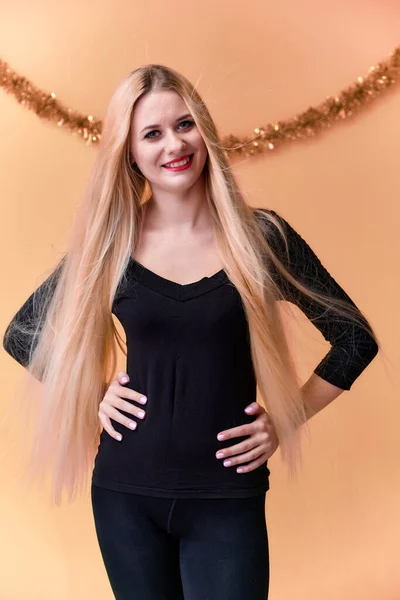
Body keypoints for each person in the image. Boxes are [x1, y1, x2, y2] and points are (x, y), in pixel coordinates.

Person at [2, 64, 380, 599]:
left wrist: (286, 420)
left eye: (185, 124)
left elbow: (355, 337)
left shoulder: (261, 237)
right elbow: (21, 334)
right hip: (124, 495)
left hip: (227, 497)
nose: (174, 144)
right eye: (151, 134)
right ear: (129, 153)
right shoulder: (111, 245)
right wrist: (92, 396)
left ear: (204, 130)